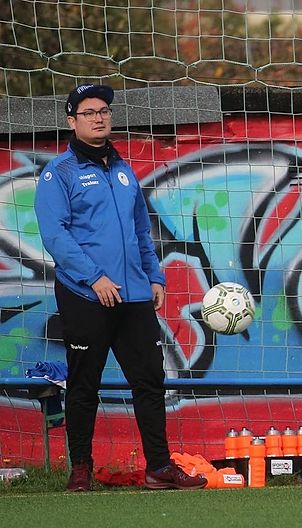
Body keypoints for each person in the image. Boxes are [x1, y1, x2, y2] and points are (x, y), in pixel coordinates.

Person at [34, 83, 206, 492]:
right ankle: (81, 469)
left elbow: (141, 232)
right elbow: (54, 234)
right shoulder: (59, 173)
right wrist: (93, 277)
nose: (99, 118)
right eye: (89, 112)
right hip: (85, 295)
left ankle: (159, 467)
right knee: (84, 384)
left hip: (134, 297)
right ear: (72, 120)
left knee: (150, 381)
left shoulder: (124, 171)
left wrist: (155, 276)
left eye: (104, 111)